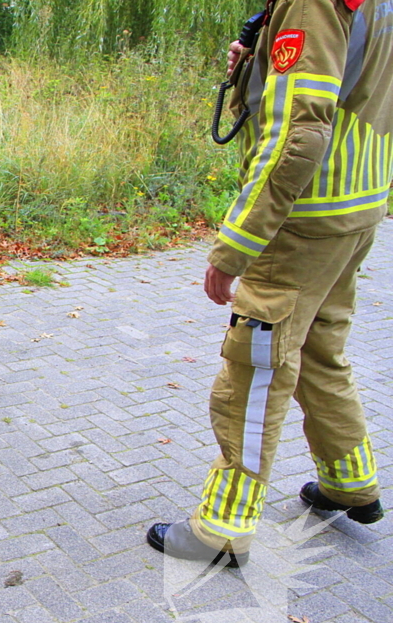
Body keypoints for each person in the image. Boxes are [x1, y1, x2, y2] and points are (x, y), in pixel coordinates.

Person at [148, 0, 391, 567]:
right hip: (357, 207)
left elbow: (299, 133)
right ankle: (351, 483)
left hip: (302, 221)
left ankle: (222, 528)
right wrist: (255, 66)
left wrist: (236, 245)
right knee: (319, 348)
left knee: (257, 363)